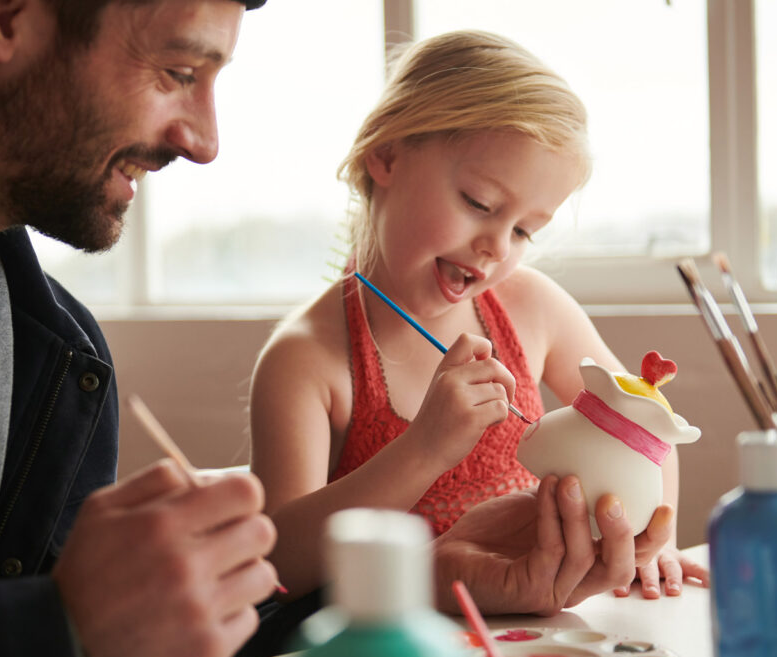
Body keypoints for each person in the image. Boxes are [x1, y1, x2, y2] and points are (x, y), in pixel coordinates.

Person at [0, 1, 280, 657]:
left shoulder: (66, 357)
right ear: (1, 15)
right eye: (176, 71)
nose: (204, 141)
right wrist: (57, 627)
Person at [248, 30, 708, 607]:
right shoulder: (307, 360)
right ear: (387, 154)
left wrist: (648, 546)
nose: (496, 246)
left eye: (523, 231)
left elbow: (646, 434)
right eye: (480, 204)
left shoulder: (532, 308)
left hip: (541, 635)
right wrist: (425, 449)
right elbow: (277, 565)